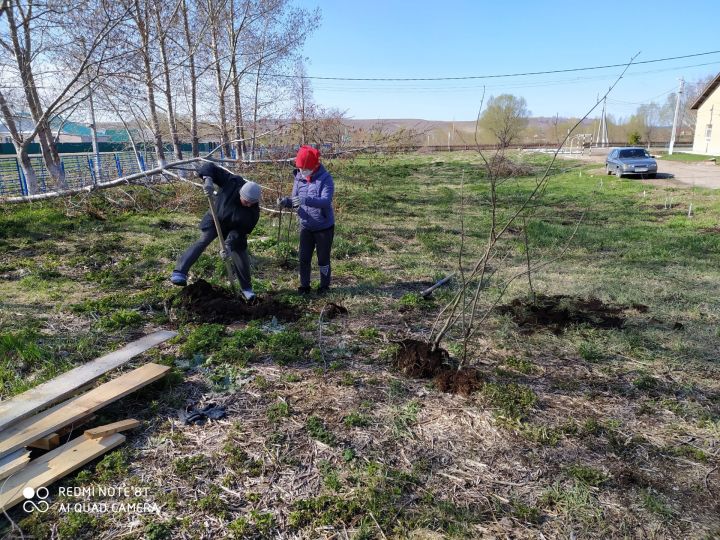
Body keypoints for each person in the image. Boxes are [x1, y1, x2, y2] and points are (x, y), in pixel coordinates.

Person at [170, 161, 261, 301]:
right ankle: (180, 272)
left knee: (240, 253)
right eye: (246, 201)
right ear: (240, 192)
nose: (248, 204)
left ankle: (247, 289)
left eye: (251, 203)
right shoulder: (233, 182)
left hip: (235, 231)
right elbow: (209, 166)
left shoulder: (253, 213)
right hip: (216, 219)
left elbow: (239, 232)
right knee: (203, 239)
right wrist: (208, 180)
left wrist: (229, 246)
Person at [278, 145, 335, 293]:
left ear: (314, 165)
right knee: (304, 258)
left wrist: (306, 199)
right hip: (305, 226)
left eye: (305, 169)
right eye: (300, 168)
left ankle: (324, 286)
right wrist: (286, 202)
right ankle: (304, 286)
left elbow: (325, 201)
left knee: (323, 259)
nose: (302, 172)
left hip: (323, 227)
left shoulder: (326, 179)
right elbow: (296, 200)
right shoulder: (298, 178)